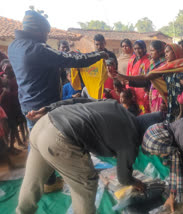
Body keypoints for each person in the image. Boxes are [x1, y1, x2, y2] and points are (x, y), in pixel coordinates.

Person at [8, 10, 108, 192]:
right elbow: (71, 59)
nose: (46, 37)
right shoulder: (36, 49)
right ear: (37, 31)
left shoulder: (14, 46)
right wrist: (98, 55)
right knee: (47, 143)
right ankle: (48, 181)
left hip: (27, 103)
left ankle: (43, 180)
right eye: (45, 33)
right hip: (43, 107)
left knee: (36, 142)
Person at [16, 98, 164, 214]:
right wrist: (135, 182)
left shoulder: (115, 106)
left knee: (32, 182)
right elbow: (123, 177)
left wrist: (48, 108)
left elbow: (79, 100)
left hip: (44, 123)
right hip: (60, 137)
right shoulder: (130, 140)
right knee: (86, 186)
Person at [118, 44, 183, 122]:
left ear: (176, 52)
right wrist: (124, 77)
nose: (166, 54)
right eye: (165, 52)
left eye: (168, 52)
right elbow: (146, 77)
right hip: (173, 103)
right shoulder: (165, 67)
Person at [127, 40, 167, 112]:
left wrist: (126, 79)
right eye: (135, 49)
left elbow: (147, 78)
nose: (150, 53)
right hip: (151, 92)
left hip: (160, 95)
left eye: (152, 51)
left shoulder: (163, 64)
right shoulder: (153, 62)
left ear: (160, 51)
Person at [126, 40, 151, 114]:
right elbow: (128, 74)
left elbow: (148, 78)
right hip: (131, 89)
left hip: (143, 90)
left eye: (139, 48)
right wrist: (128, 88)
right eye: (135, 49)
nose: (137, 51)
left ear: (144, 48)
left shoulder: (149, 60)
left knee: (143, 111)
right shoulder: (132, 59)